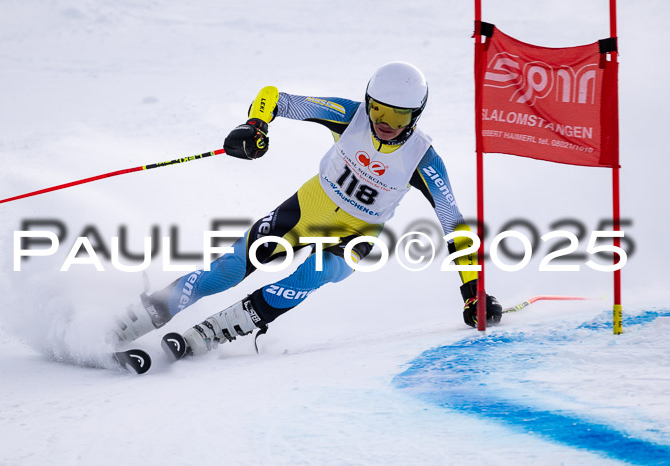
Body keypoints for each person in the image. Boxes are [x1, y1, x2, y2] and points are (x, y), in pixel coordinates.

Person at [114, 62, 502, 357]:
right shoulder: (350, 115)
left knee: (316, 271)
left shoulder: (423, 159)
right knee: (227, 271)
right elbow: (275, 98)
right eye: (378, 110)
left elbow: (455, 225)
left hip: (354, 236)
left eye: (398, 116)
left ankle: (218, 330)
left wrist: (473, 291)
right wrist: (256, 127)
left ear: (415, 116)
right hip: (303, 212)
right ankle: (130, 321)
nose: (384, 123)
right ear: (368, 102)